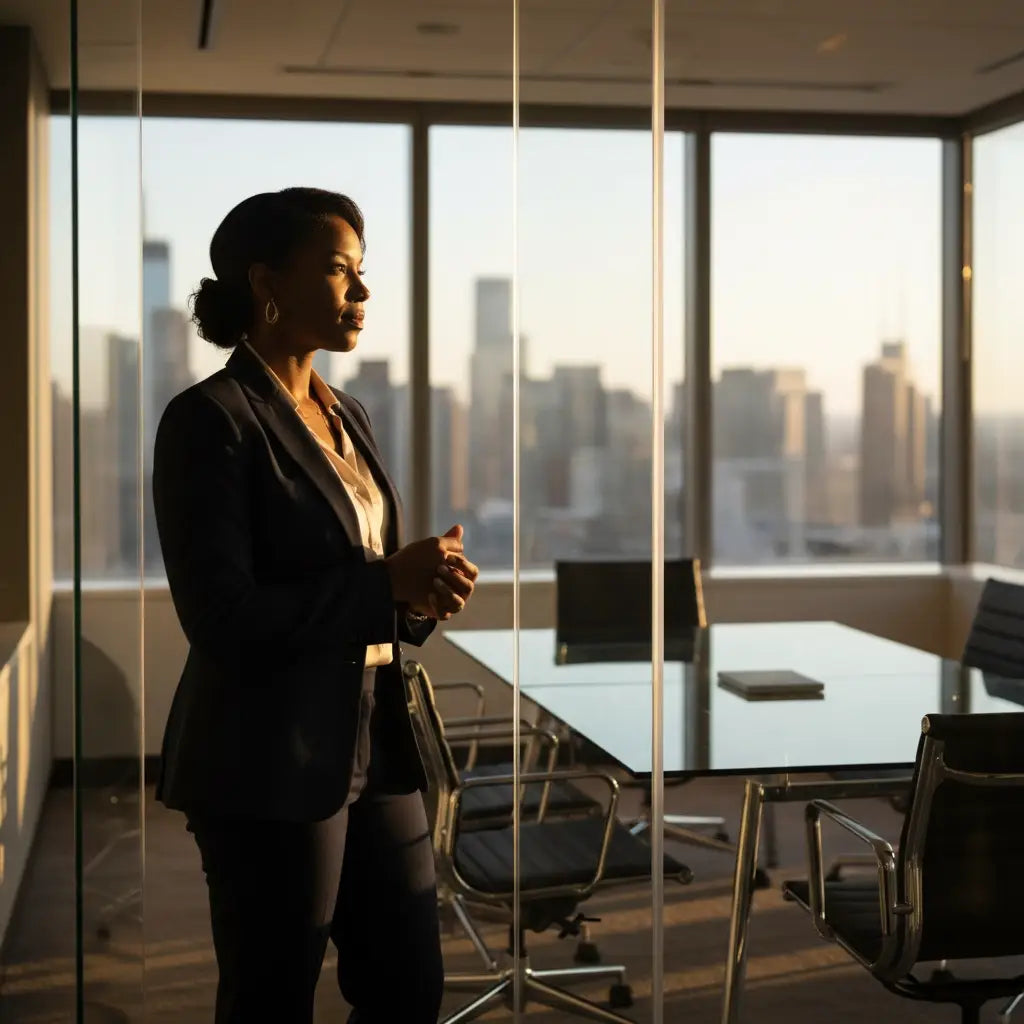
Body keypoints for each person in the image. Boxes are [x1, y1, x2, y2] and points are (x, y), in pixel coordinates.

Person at [152, 186, 477, 1023]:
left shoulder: (348, 412)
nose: (363, 293)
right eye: (340, 271)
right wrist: (384, 587)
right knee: (271, 997)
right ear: (267, 282)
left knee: (409, 990)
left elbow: (366, 587)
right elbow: (220, 620)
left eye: (362, 272)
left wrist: (418, 598)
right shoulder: (210, 421)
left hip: (377, 741)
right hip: (268, 757)